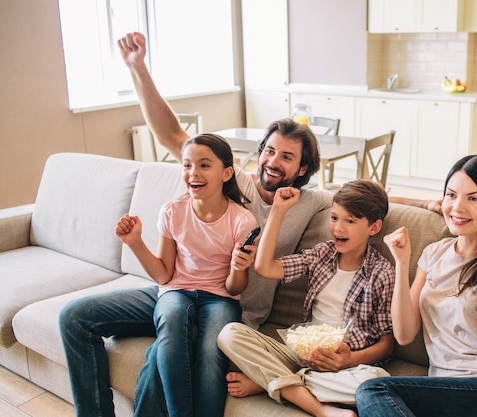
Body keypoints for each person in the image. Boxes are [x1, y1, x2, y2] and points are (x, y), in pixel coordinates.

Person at [59, 31, 437, 417]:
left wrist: (428, 200)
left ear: (303, 169)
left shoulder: (311, 204)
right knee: (77, 317)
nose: (274, 161)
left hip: (229, 307)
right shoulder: (232, 181)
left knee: (164, 350)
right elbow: (173, 136)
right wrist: (137, 67)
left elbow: (360, 197)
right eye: (270, 151)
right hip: (176, 288)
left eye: (287, 157)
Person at [355, 155, 477, 417]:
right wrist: (401, 262)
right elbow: (405, 334)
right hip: (446, 394)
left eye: (473, 198)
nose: (457, 207)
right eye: (451, 195)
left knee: (373, 392)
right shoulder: (434, 254)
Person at [217, 180, 395, 417]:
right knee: (229, 334)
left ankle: (268, 382)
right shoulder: (322, 254)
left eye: (350, 221)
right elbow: (265, 268)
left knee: (376, 383)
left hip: (348, 366)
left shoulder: (382, 273)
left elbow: (387, 343)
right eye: (334, 218)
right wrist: (279, 211)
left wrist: (348, 360)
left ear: (374, 227)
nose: (338, 228)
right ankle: (319, 408)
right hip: (301, 355)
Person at [114, 134, 257, 417]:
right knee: (171, 318)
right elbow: (164, 275)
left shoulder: (242, 220)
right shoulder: (172, 211)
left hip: (220, 298)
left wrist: (238, 267)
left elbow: (234, 287)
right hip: (176, 291)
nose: (193, 173)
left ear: (226, 173)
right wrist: (135, 242)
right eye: (187, 165)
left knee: (210, 352)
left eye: (204, 165)